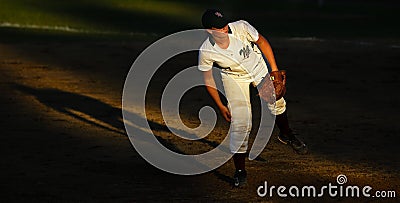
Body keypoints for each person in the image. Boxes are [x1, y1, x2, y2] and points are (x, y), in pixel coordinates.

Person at [198, 9, 308, 187]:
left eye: (225, 25)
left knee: (276, 103)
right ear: (209, 31)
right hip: (233, 77)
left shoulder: (241, 27)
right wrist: (220, 105)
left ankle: (286, 133)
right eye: (219, 28)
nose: (225, 29)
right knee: (241, 124)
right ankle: (240, 171)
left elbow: (262, 42)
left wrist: (273, 69)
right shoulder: (206, 51)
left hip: (257, 67)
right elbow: (208, 79)